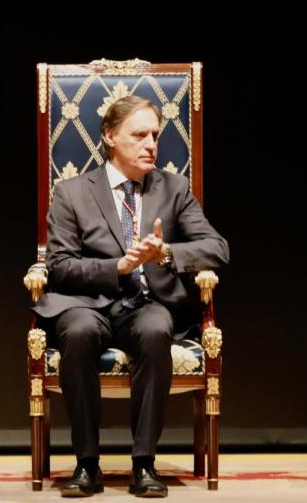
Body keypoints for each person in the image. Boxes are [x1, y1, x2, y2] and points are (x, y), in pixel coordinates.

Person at [34, 96, 229, 498]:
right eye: (139, 135)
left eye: (155, 135)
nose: (151, 145)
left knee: (157, 329)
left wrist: (169, 253)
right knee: (79, 332)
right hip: (88, 302)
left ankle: (144, 464)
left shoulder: (173, 188)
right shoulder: (71, 192)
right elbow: (59, 265)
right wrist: (116, 268)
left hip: (146, 303)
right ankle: (87, 465)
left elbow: (217, 248)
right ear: (109, 137)